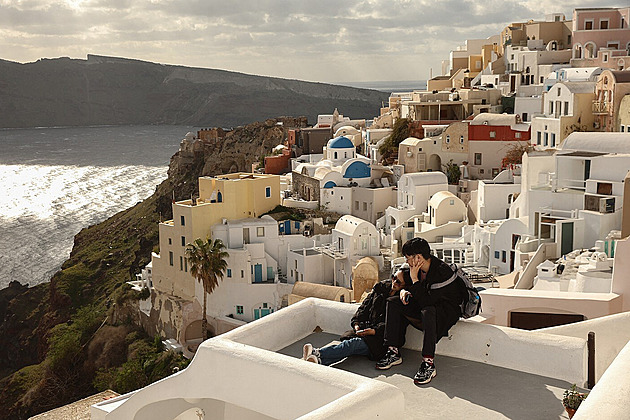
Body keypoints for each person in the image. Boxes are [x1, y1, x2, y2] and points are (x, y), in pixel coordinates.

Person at [376, 237, 465, 386]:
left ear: (418, 257)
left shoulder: (442, 272)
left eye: (409, 258)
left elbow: (428, 301)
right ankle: (393, 351)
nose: (407, 261)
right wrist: (405, 291)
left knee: (428, 311)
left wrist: (414, 280)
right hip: (426, 307)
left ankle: (428, 363)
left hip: (444, 315)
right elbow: (417, 293)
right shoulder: (414, 269)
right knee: (393, 302)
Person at [302, 268, 409, 366]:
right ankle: (319, 361)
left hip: (382, 341)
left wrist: (374, 331)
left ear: (405, 285)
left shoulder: (401, 302)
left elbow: (395, 326)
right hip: (368, 331)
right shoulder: (381, 288)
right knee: (349, 345)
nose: (394, 282)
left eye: (398, 282)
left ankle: (317, 353)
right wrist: (357, 323)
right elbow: (364, 307)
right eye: (394, 278)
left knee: (352, 344)